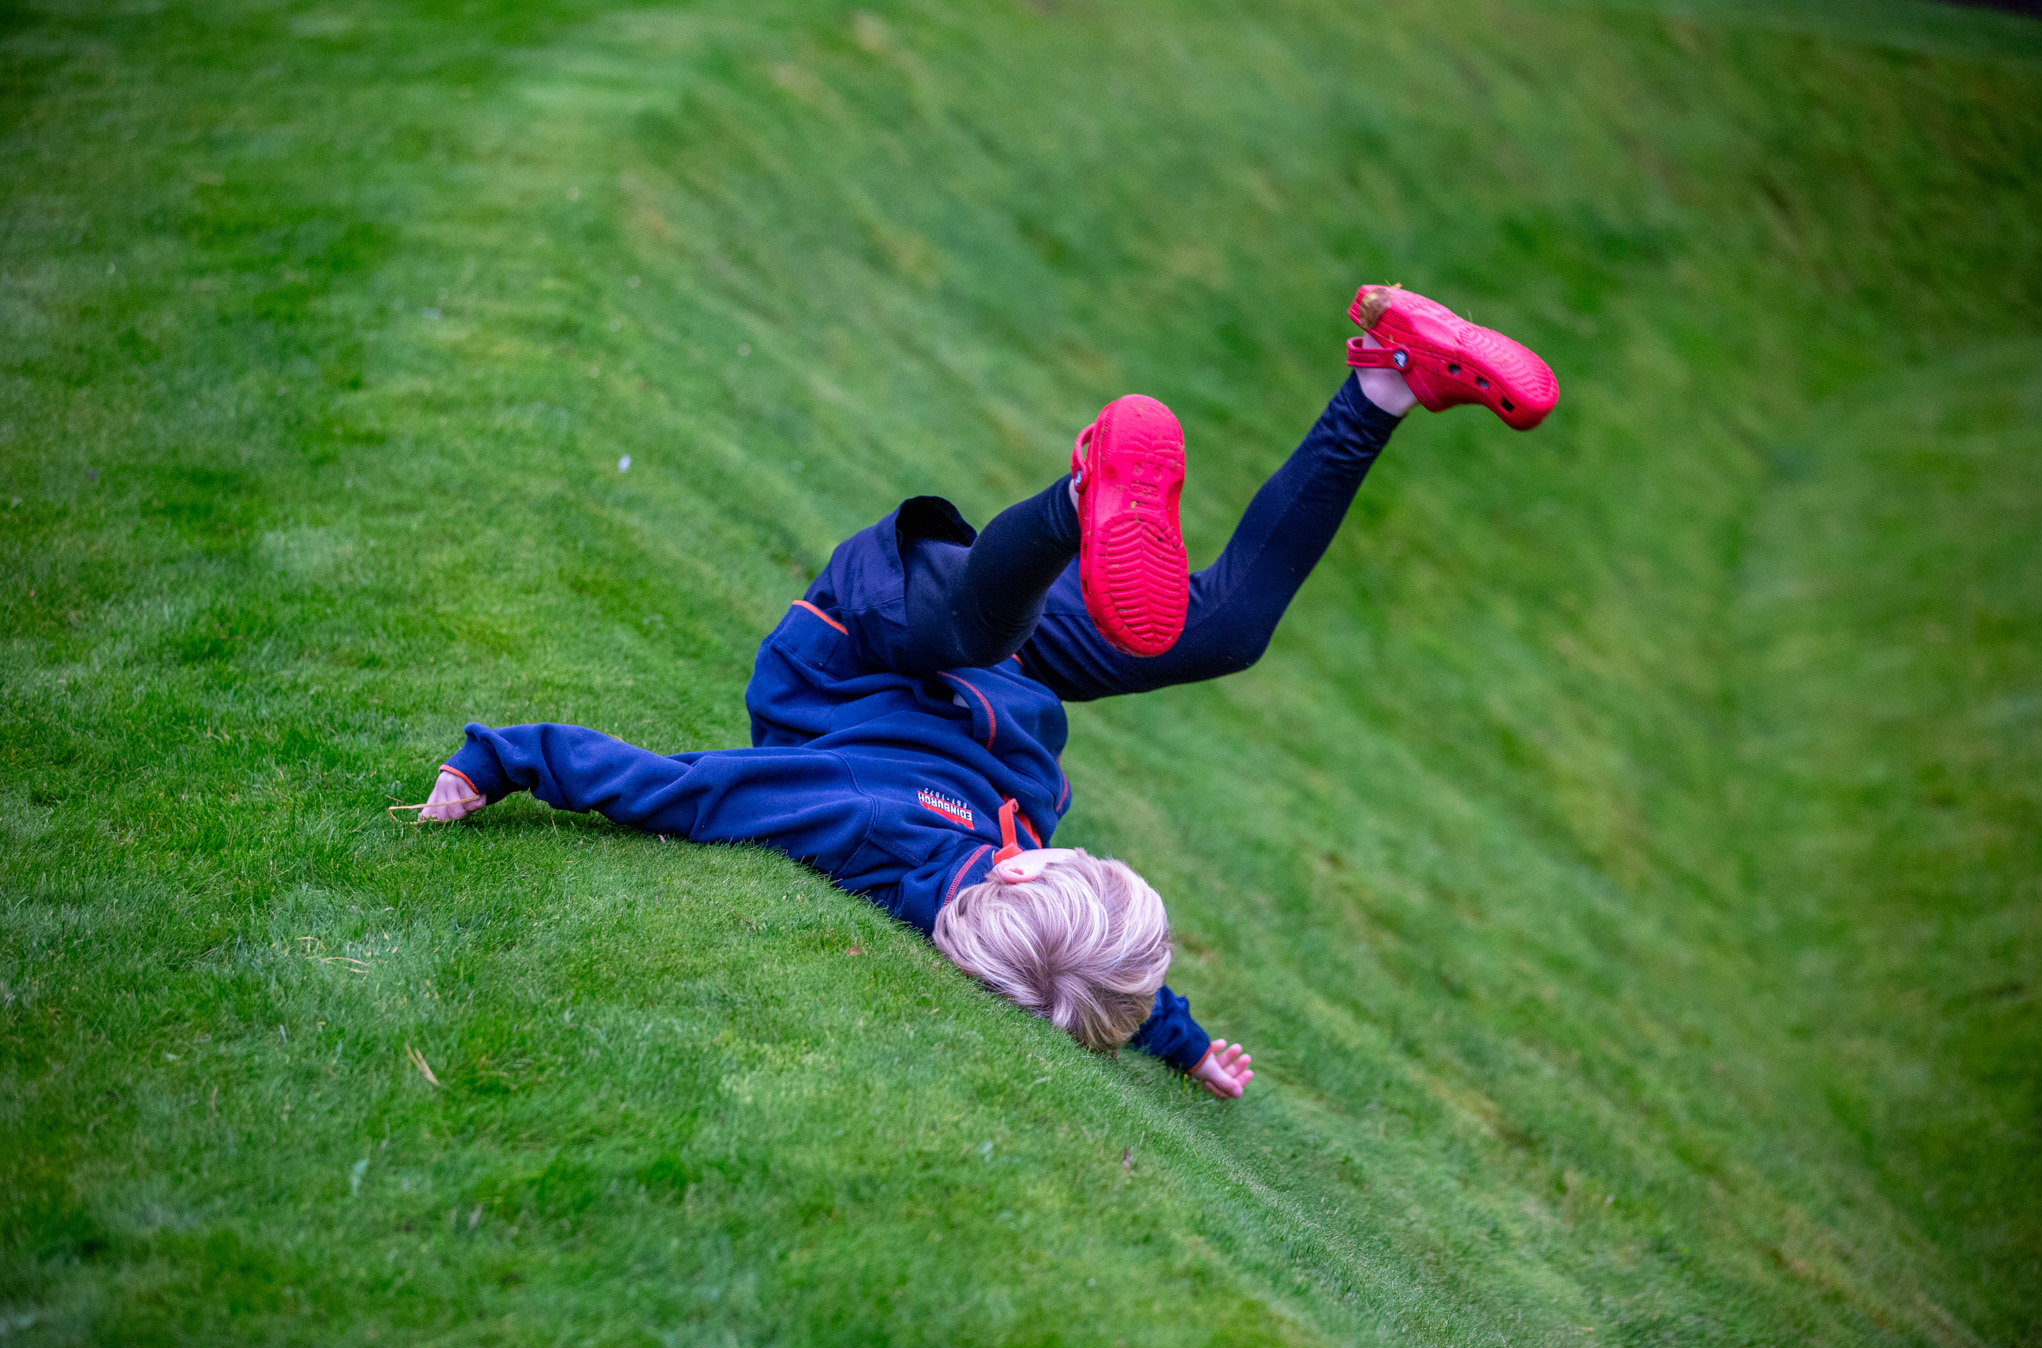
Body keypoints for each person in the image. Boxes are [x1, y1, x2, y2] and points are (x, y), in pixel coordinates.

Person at [398, 285, 1558, 1100]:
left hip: (867, 643)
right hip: (986, 689)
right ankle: (1385, 381)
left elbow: (681, 793)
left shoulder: (859, 822)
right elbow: (1087, 979)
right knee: (1225, 632)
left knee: (972, 618)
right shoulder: (1027, 919)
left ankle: (1082, 492)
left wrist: (499, 760)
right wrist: (1183, 1043)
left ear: (1025, 882)